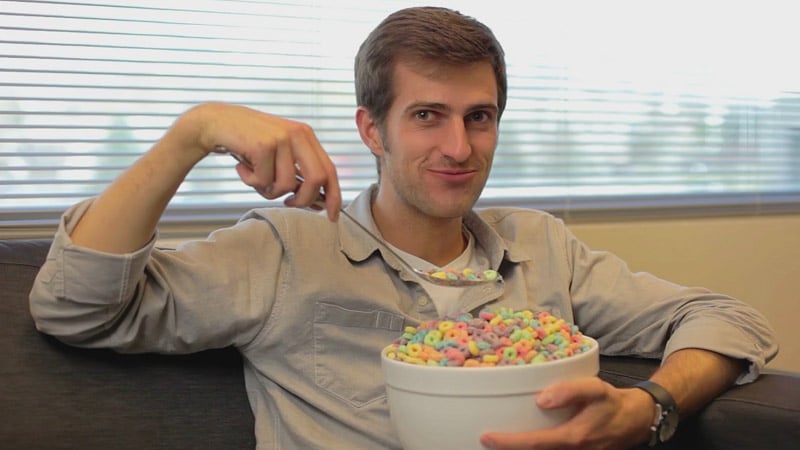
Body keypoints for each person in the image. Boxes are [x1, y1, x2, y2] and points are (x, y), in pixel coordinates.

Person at [30, 6, 777, 450]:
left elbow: (727, 319)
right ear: (372, 129)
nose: (459, 148)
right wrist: (191, 134)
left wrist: (650, 409)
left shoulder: (543, 246)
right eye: (427, 116)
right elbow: (75, 305)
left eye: (478, 117)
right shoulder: (287, 248)